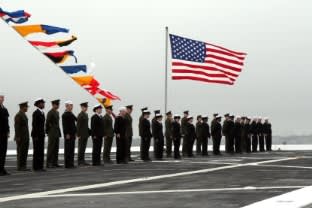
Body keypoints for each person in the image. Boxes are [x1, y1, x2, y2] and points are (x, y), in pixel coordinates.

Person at [31, 98, 46, 171]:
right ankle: (36, 167)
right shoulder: (36, 113)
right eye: (42, 103)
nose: (43, 104)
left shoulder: (42, 113)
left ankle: (40, 166)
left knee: (41, 151)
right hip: (37, 135)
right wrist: (35, 135)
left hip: (41, 134)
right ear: (38, 104)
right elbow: (34, 125)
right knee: (37, 151)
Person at [46, 99, 62, 168]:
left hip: (56, 132)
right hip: (52, 132)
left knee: (56, 148)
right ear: (53, 105)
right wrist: (47, 132)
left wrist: (59, 132)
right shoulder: (50, 112)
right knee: (51, 148)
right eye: (56, 104)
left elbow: (57, 124)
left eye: (58, 104)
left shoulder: (57, 112)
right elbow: (47, 123)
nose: (58, 106)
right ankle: (48, 163)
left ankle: (55, 162)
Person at [14, 102, 30, 171]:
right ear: (22, 107)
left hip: (25, 136)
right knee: (20, 152)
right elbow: (17, 127)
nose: (27, 108)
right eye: (26, 107)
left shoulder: (23, 115)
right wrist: (17, 137)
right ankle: (20, 166)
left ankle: (23, 166)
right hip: (21, 137)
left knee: (24, 152)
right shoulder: (18, 115)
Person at [62, 101, 77, 169]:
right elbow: (65, 125)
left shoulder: (71, 114)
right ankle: (67, 164)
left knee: (71, 149)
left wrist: (76, 132)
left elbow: (76, 121)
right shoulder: (65, 114)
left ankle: (71, 163)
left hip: (73, 134)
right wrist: (66, 134)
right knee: (68, 149)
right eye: (70, 105)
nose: (72, 107)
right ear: (67, 106)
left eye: (72, 105)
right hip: (68, 135)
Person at [0, 92, 10, 176]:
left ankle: (2, 168)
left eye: (3, 98)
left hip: (4, 133)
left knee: (3, 152)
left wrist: (8, 131)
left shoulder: (5, 109)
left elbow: (7, 122)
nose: (2, 99)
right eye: (0, 98)